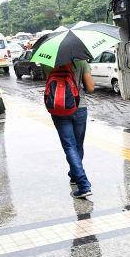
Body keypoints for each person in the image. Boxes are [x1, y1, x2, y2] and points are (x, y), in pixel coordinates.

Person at [45, 59, 96, 198]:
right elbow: (91, 88)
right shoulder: (82, 62)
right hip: (80, 108)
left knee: (69, 146)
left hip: (59, 108)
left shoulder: (49, 62)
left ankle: (77, 178)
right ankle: (83, 183)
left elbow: (49, 83)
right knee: (77, 145)